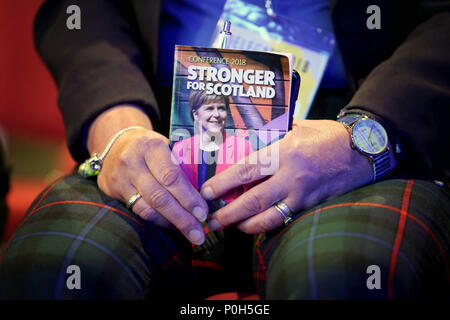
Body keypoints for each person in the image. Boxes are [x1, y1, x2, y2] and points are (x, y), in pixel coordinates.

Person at [0, 0, 448, 299]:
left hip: (353, 130)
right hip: (152, 127)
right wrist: (116, 126)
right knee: (54, 269)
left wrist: (366, 136)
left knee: (342, 277)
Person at [172, 90, 253, 205]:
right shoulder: (179, 148)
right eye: (209, 108)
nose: (216, 114)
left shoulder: (243, 147)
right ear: (196, 115)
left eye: (221, 108)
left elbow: (250, 193)